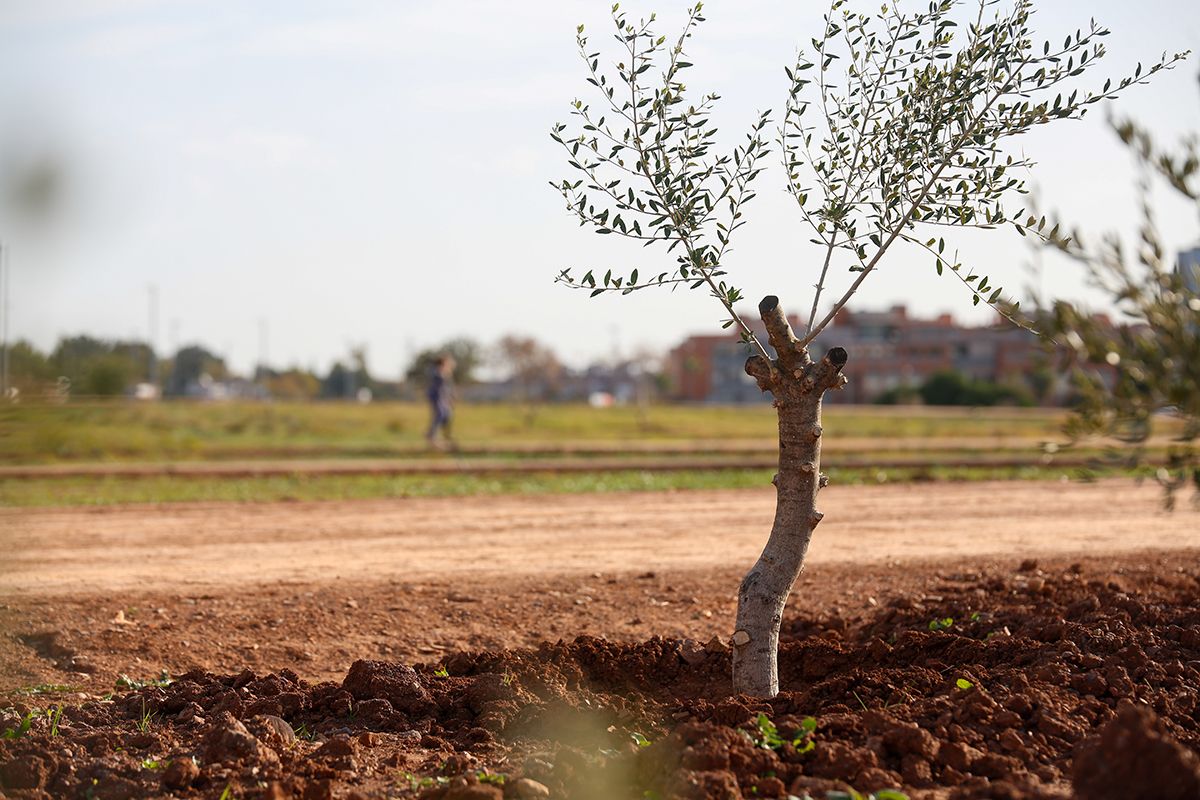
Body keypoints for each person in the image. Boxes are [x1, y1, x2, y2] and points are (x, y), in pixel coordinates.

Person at [425, 355, 456, 449]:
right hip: (437, 397)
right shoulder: (437, 372)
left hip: (442, 398)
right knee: (440, 415)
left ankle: (445, 436)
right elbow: (440, 383)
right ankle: (431, 436)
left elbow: (447, 388)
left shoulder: (443, 373)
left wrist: (451, 398)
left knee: (447, 415)